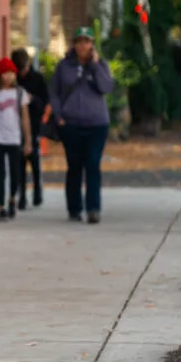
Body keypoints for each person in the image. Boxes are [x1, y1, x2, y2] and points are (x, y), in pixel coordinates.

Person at [49, 27, 115, 224]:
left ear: (92, 45)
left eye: (86, 41)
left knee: (93, 164)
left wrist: (94, 66)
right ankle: (74, 208)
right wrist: (59, 116)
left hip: (96, 124)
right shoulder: (64, 66)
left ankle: (93, 208)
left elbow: (106, 87)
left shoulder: (100, 65)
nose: (83, 46)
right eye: (79, 41)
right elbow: (54, 92)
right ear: (74, 44)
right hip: (71, 124)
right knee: (75, 166)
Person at [0, 58, 34, 222]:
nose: (8, 76)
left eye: (11, 73)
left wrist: (28, 141)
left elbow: (25, 118)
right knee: (1, 173)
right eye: (4, 73)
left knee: (15, 172)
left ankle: (12, 199)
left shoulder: (20, 94)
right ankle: (1, 207)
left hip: (14, 138)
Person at [11, 48, 50, 210]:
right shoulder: (12, 81)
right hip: (15, 124)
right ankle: (22, 196)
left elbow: (45, 102)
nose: (22, 73)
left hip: (34, 123)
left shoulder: (38, 79)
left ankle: (37, 191)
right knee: (19, 162)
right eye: (19, 70)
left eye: (24, 69)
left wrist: (33, 99)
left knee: (34, 159)